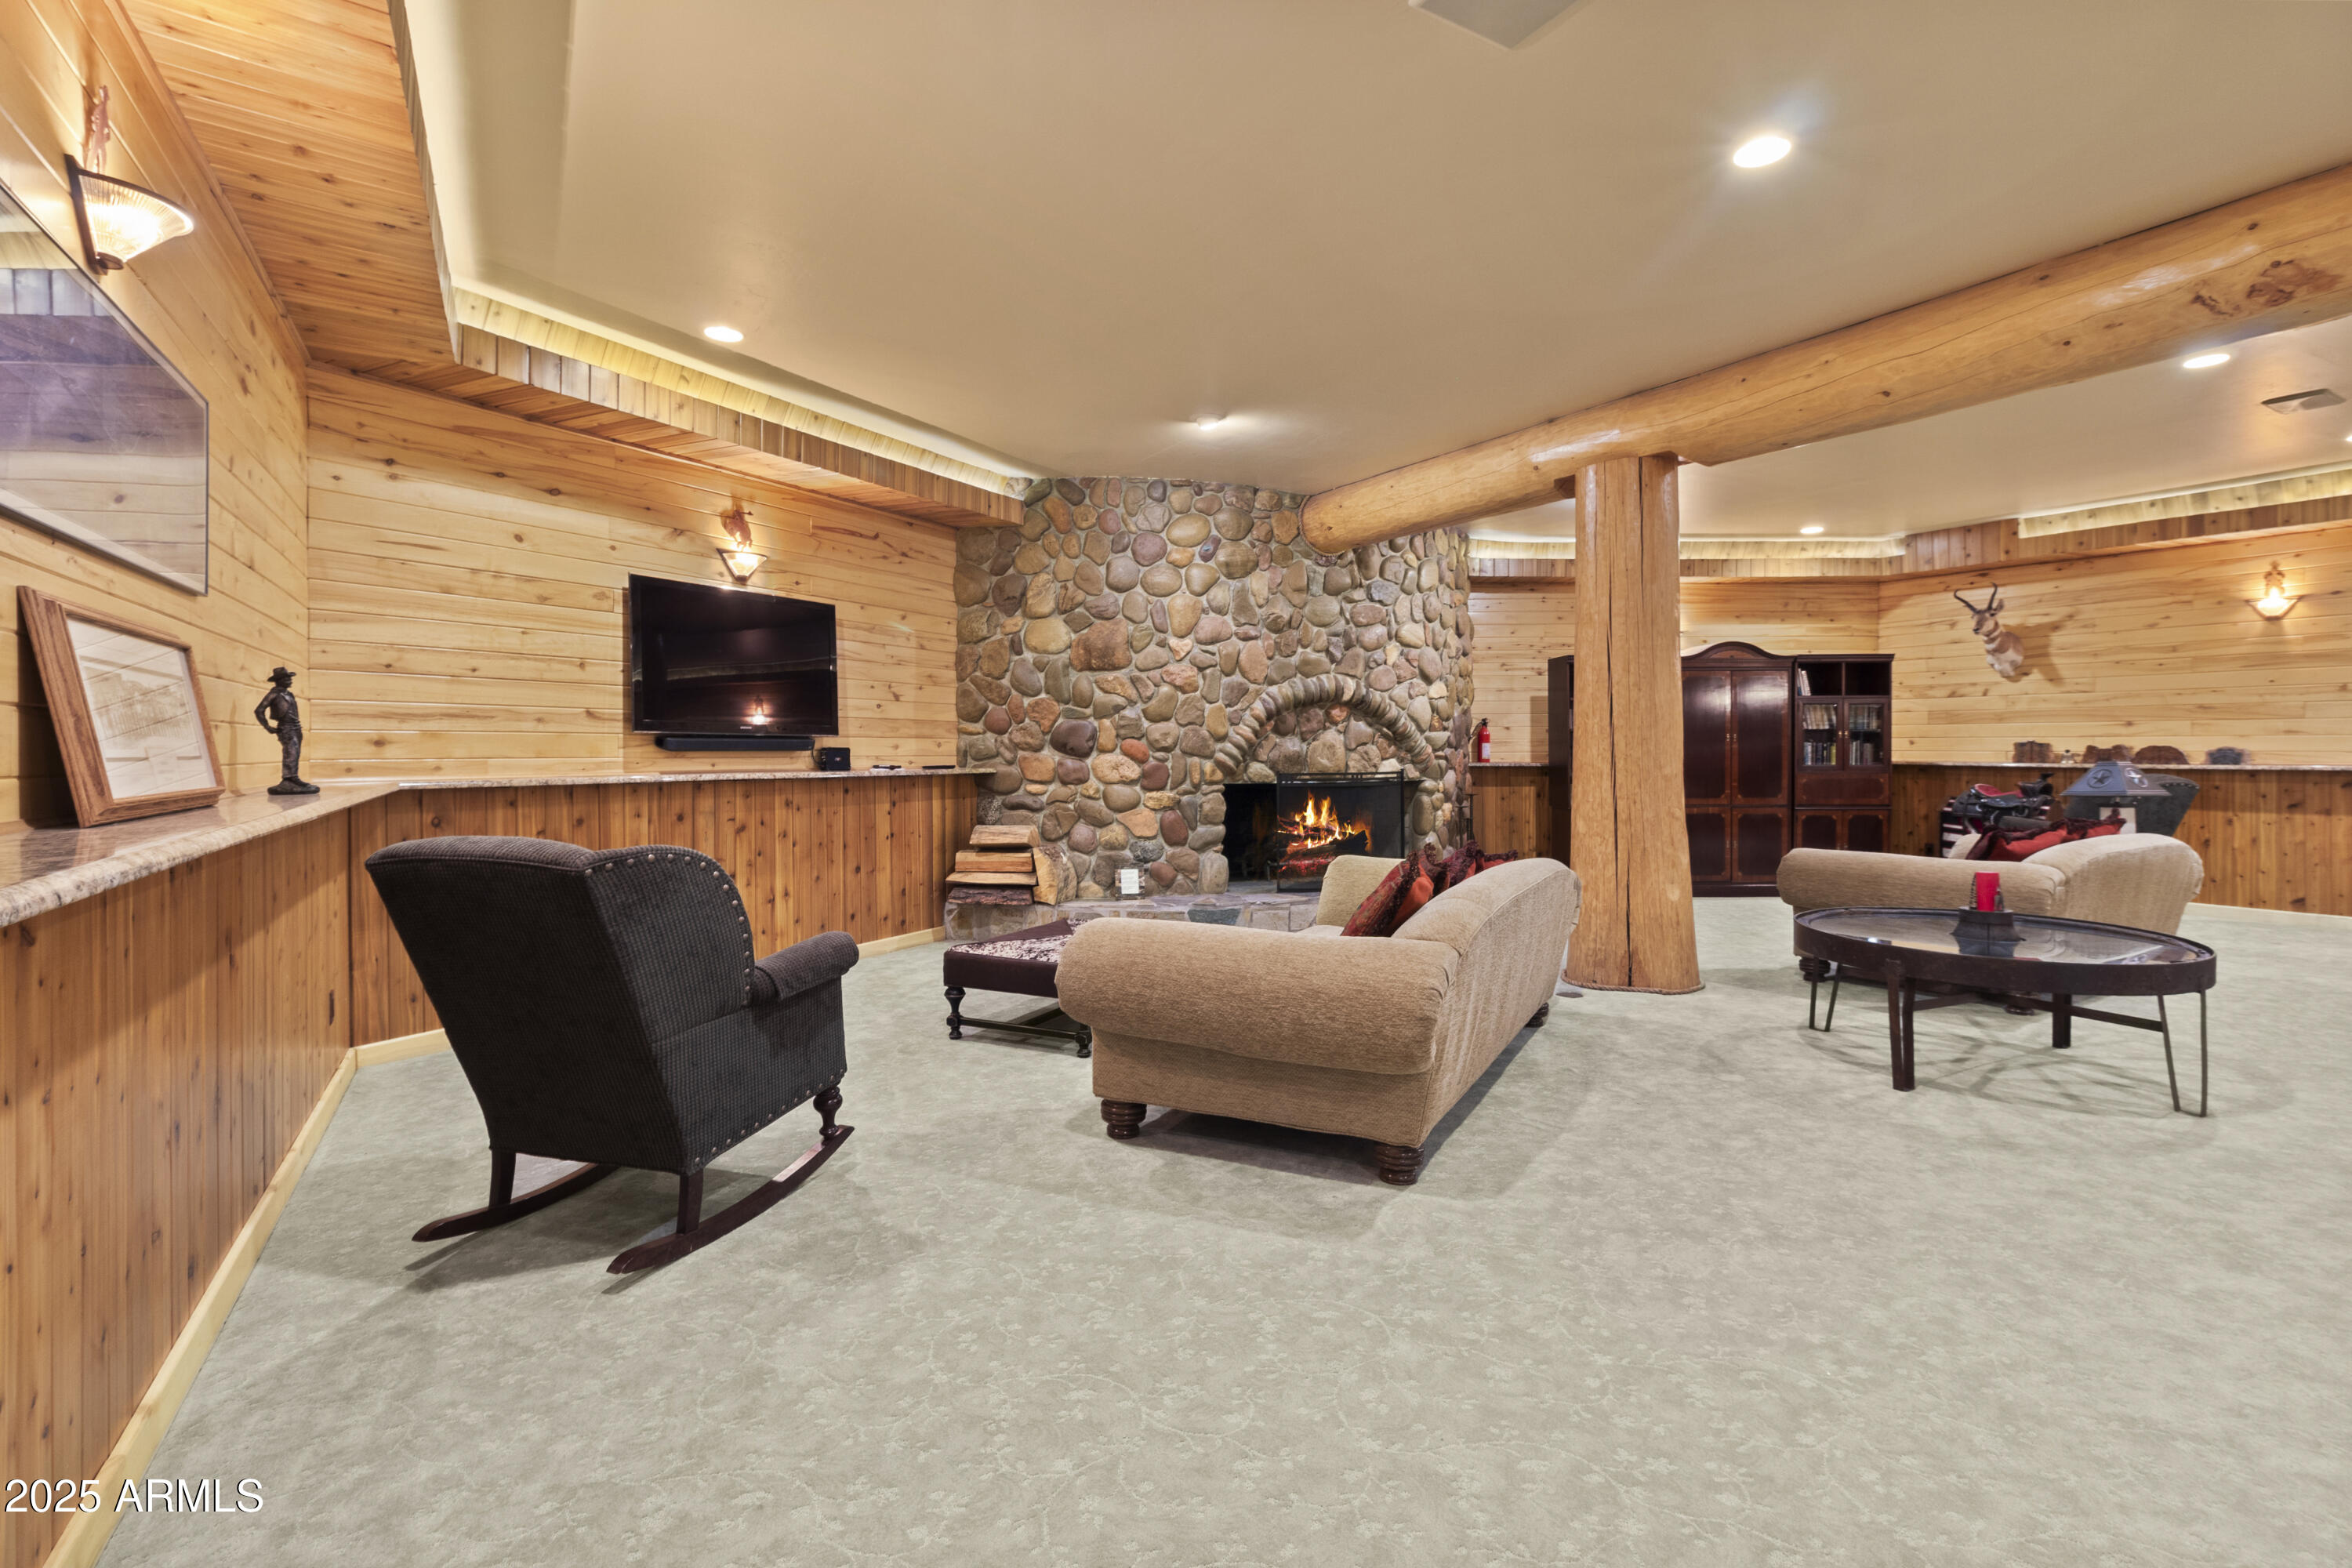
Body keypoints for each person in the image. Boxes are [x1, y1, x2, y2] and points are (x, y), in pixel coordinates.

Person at [253, 666, 318, 794]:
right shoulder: (274, 693)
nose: (290, 680)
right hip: (286, 728)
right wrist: (267, 727)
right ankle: (288, 779)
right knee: (291, 753)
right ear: (280, 680)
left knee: (296, 753)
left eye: (290, 678)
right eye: (287, 678)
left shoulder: (289, 694)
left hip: (296, 727)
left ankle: (293, 778)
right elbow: (259, 710)